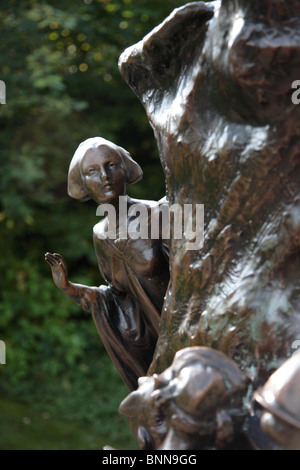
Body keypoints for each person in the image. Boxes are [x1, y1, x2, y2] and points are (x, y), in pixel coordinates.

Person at [45, 137, 170, 390]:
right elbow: (118, 299)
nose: (105, 176)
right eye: (92, 171)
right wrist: (69, 288)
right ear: (83, 183)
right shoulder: (100, 235)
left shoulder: (159, 214)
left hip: (187, 331)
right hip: (156, 347)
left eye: (111, 165)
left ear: (125, 169)